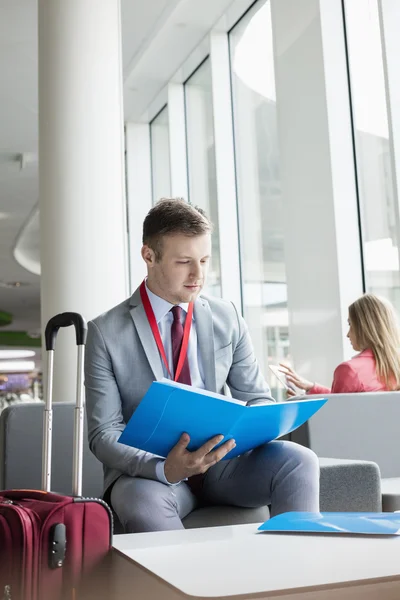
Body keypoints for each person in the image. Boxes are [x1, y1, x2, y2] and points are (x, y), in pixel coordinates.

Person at [85, 198, 319, 533]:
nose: (199, 275)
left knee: (300, 462)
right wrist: (165, 468)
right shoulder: (106, 332)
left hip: (225, 464)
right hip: (155, 475)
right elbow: (104, 433)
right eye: (184, 262)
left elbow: (257, 399)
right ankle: (185, 586)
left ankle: (296, 580)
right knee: (142, 502)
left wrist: (258, 424)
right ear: (149, 256)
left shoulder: (227, 317)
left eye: (205, 260)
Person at [281, 293, 400, 396]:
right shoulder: (395, 365)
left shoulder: (349, 370)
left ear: (364, 327)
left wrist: (300, 404)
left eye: (350, 324)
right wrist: (311, 387)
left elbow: (335, 412)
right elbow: (346, 399)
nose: (348, 334)